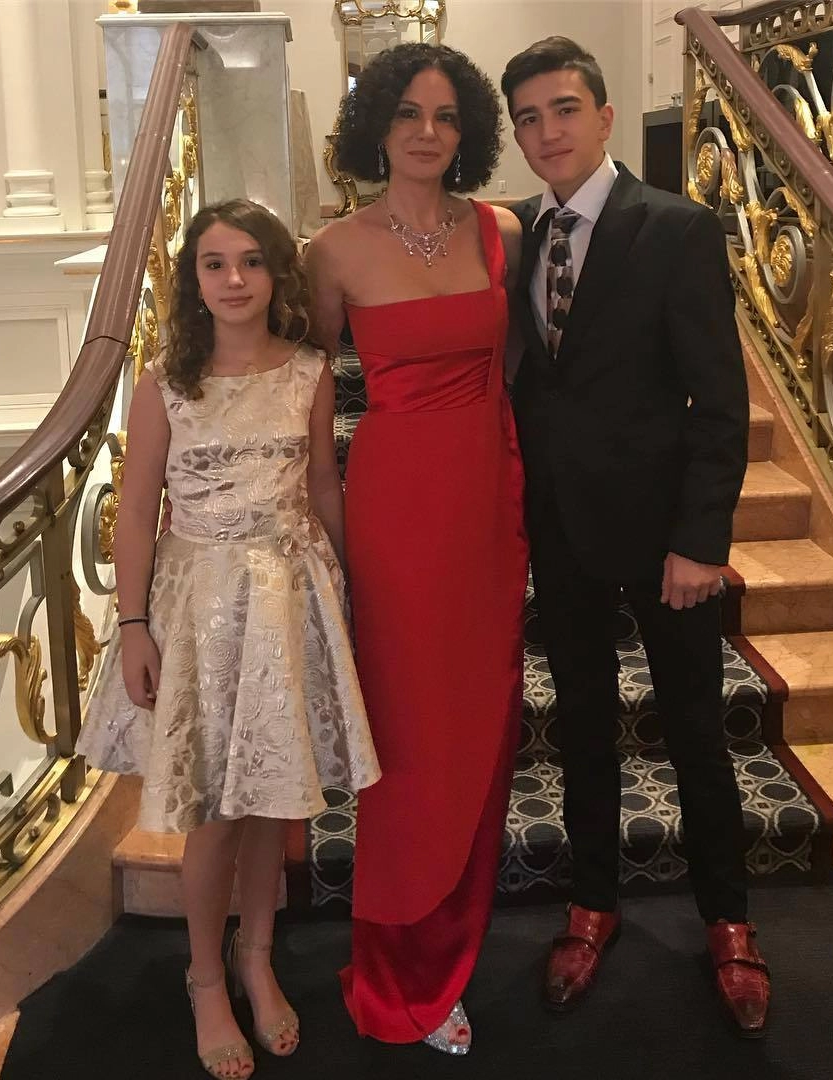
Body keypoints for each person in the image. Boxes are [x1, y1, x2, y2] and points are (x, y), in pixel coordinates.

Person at [499, 37, 771, 1037]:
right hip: (561, 530)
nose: (547, 132)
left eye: (564, 109)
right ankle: (592, 906)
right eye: (528, 118)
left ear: (606, 116)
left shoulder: (677, 228)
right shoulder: (517, 235)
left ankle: (728, 922)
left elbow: (719, 401)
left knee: (695, 729)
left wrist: (702, 539)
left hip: (665, 540)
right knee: (581, 726)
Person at [76, 200, 381, 1079]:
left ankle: (257, 957)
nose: (235, 279)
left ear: (279, 273)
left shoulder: (310, 371)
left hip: (288, 596)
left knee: (272, 800)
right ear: (193, 280)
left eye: (252, 260)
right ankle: (205, 978)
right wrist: (133, 625)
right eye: (215, 263)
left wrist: (350, 594)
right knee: (214, 809)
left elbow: (323, 488)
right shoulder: (167, 382)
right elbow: (138, 510)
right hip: (200, 606)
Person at [305, 42, 528, 1055]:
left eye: (444, 115)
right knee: (406, 743)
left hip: (488, 502)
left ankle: (456, 948)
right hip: (395, 512)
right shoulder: (332, 252)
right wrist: (324, 527)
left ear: (466, 129)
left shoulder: (501, 230)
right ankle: (403, 972)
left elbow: (511, 364)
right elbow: (310, 400)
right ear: (376, 127)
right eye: (407, 113)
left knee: (479, 722)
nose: (427, 132)